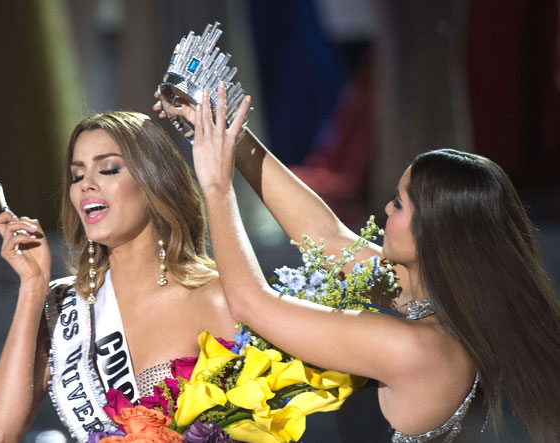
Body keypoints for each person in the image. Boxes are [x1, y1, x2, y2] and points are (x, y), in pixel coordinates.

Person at [155, 83, 560, 442]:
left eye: (399, 204)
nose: (385, 207)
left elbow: (253, 306)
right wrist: (229, 134)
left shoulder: (420, 348)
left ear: (433, 234)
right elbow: (325, 237)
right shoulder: (439, 304)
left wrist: (215, 184)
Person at [0, 111, 237, 442]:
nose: (86, 184)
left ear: (154, 181)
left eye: (109, 169)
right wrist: (33, 285)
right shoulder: (63, 308)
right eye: (77, 175)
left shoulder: (214, 296)